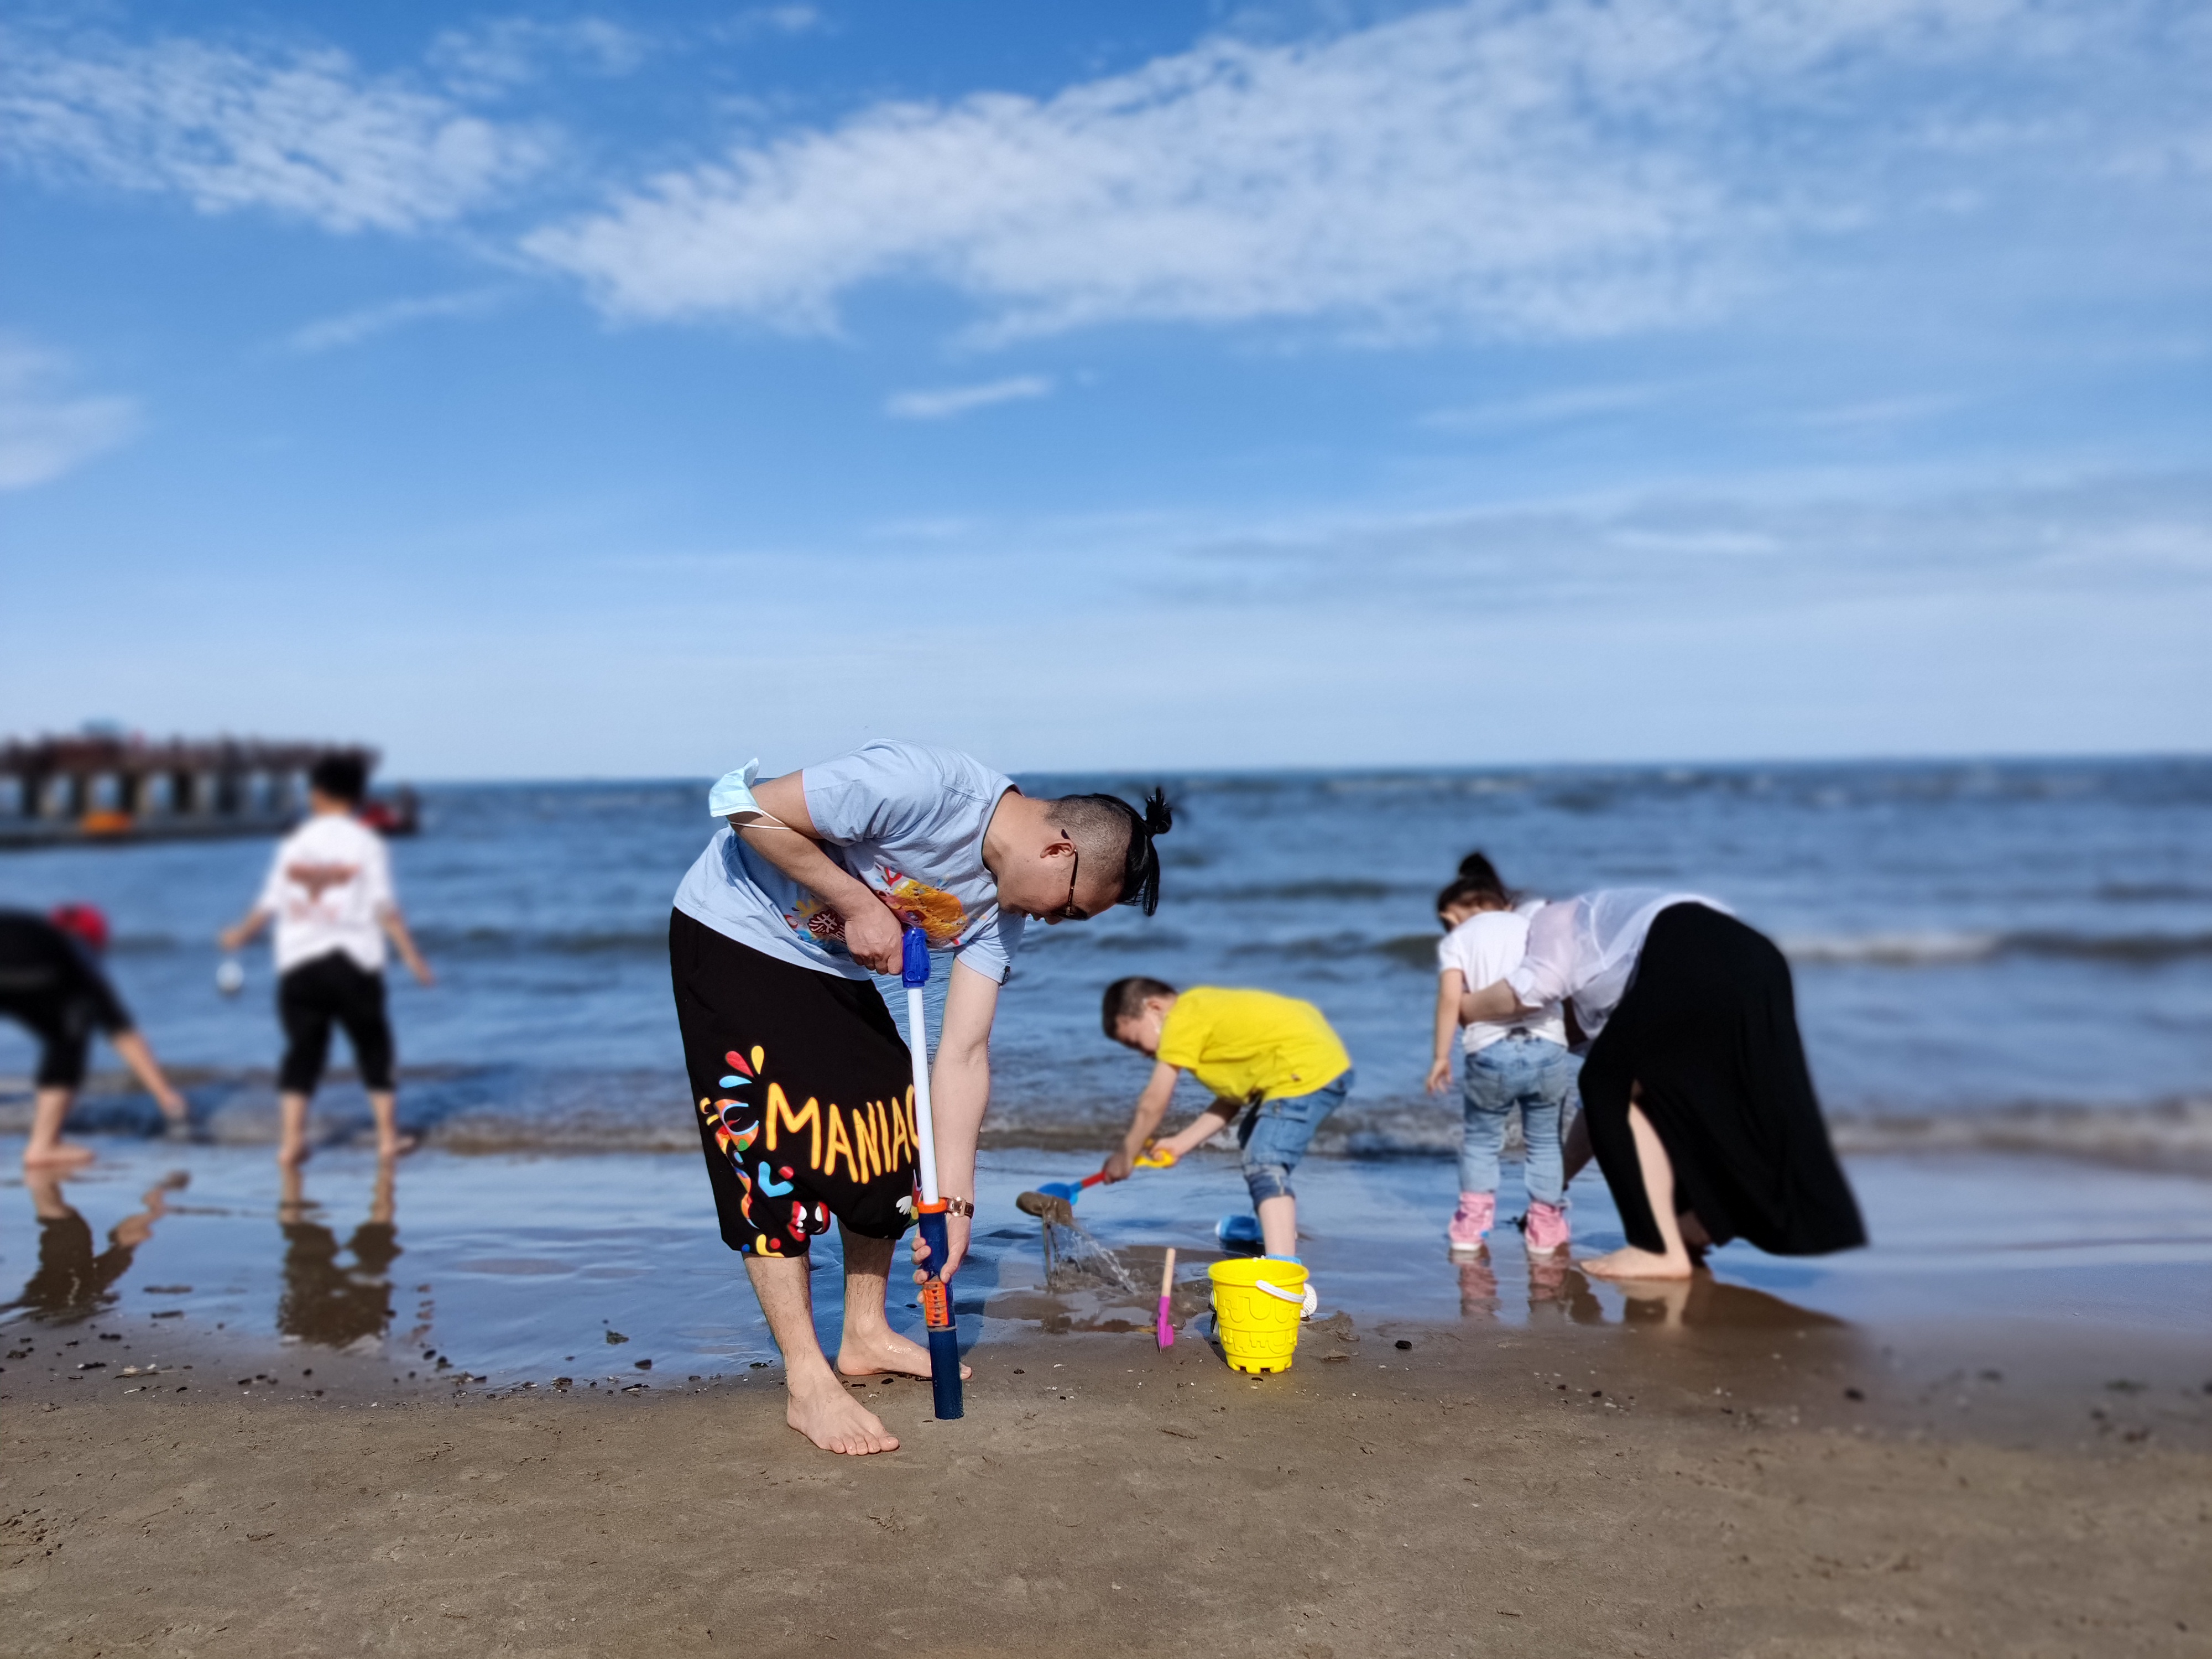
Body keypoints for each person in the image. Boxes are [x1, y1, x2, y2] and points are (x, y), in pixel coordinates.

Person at [671, 740, 1170, 1456]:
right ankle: (808, 1382)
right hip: (734, 929)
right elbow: (739, 803)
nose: (1057, 924)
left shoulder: (1001, 916)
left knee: (893, 1138)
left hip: (825, 966)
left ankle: (865, 1334)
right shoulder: (927, 788)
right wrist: (854, 901)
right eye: (1071, 911)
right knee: (769, 1147)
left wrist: (959, 1198)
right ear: (1060, 851)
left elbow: (964, 1054)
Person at [1457, 890, 1865, 1280]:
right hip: (1756, 957)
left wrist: (1464, 1008)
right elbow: (1602, 1109)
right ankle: (1696, 1225)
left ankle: (1654, 1248)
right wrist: (1551, 1189)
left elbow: (1537, 987)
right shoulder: (1609, 977)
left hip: (1699, 951)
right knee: (1658, 1094)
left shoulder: (1543, 923)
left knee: (1607, 1080)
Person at [218, 754, 434, 1166]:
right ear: (359, 796)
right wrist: (412, 958)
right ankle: (387, 1138)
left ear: (315, 794)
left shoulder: (294, 844)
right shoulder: (367, 843)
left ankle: (292, 1142)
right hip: (354, 961)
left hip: (299, 963)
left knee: (302, 1052)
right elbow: (385, 908)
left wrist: (239, 936)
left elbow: (268, 905)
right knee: (374, 1047)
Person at [1095, 977, 1352, 1282]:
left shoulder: (1182, 1018)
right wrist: (1180, 1143)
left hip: (1303, 1069)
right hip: (1308, 1063)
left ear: (1154, 1008)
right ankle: (1272, 1227)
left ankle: (1283, 1271)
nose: (1142, 1053)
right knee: (1254, 1137)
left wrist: (1127, 1153)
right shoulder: (1203, 1020)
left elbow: (1154, 1101)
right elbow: (1229, 1102)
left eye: (1136, 1041)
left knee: (1266, 1160)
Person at [1423, 854, 1575, 1256]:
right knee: (1544, 1141)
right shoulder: (1530, 927)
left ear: (1451, 916)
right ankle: (1545, 1226)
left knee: (1480, 1141)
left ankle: (1471, 1227)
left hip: (1490, 1051)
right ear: (1504, 904)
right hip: (1547, 1046)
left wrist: (1441, 1057)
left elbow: (1450, 1000)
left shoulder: (1457, 940)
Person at [3, 904, 189, 1168]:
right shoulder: (74, 950)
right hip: (29, 965)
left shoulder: (31, 927)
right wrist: (165, 1094)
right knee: (67, 1033)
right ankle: (43, 1146)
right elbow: (122, 1032)